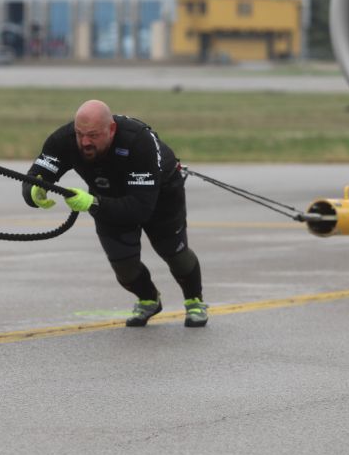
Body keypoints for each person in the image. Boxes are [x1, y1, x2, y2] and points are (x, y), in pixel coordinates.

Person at [22, 99, 209, 327]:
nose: (85, 142)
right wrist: (33, 190)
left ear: (111, 130)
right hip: (106, 195)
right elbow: (36, 174)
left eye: (93, 135)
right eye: (80, 134)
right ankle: (149, 299)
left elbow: (140, 209)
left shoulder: (138, 141)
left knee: (173, 252)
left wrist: (92, 203)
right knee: (124, 267)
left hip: (159, 196)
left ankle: (194, 300)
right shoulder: (64, 140)